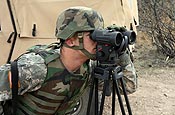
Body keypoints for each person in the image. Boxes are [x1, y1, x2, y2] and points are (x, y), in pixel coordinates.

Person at [0, 6, 137, 115]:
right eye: (94, 35)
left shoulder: (88, 68)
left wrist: (122, 52)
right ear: (71, 40)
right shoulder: (35, 68)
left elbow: (128, 86)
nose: (100, 40)